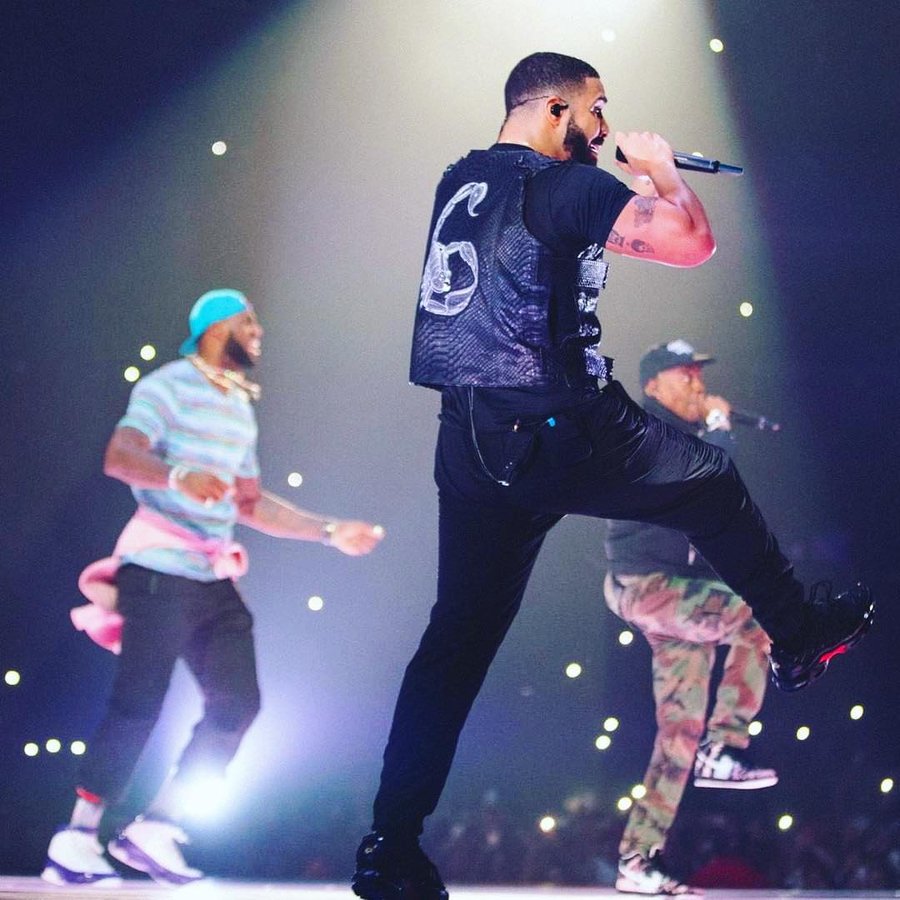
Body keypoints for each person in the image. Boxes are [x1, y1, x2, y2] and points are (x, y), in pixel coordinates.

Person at [351, 52, 873, 900]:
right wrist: (663, 174)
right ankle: (796, 631)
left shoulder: (461, 180)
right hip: (560, 423)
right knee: (710, 482)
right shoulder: (567, 185)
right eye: (596, 109)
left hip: (471, 437)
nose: (603, 128)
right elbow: (692, 243)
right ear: (555, 109)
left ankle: (389, 847)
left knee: (453, 645)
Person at [42, 288, 384, 887]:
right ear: (216, 327)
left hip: (210, 571)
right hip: (157, 564)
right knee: (139, 700)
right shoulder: (167, 386)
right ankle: (76, 838)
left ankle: (157, 826)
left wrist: (330, 531)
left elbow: (249, 504)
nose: (259, 332)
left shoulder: (238, 405)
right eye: (249, 322)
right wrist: (178, 475)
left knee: (238, 703)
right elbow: (120, 456)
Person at [603, 340, 778, 895]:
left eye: (699, 374)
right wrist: (719, 426)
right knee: (759, 616)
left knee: (678, 731)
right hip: (647, 585)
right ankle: (724, 745)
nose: (699, 384)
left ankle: (637, 860)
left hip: (680, 595)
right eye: (686, 374)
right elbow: (707, 477)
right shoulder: (642, 430)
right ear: (653, 385)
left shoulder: (687, 436)